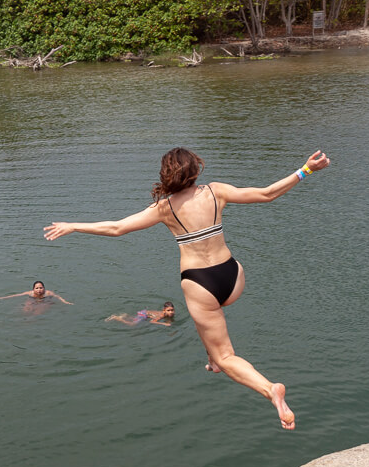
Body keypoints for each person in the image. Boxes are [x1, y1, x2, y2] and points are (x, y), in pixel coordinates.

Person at [44, 148, 330, 430]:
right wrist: (305, 170)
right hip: (232, 276)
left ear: (167, 175)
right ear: (196, 169)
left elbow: (117, 228)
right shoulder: (216, 191)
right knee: (209, 322)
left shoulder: (165, 208)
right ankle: (213, 359)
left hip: (200, 283)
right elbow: (268, 194)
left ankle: (270, 390)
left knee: (224, 352)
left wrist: (75, 226)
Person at [0, 280, 73, 313]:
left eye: (41, 288)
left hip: (45, 301)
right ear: (33, 289)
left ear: (44, 288)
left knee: (37, 312)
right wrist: (2, 298)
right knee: (25, 310)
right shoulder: (30, 293)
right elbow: (16, 295)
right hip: (33, 300)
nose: (39, 290)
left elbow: (58, 297)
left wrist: (66, 302)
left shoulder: (48, 293)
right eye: (37, 288)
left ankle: (31, 321)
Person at [107, 301, 176, 327]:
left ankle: (125, 315)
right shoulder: (161, 315)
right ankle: (116, 318)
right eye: (168, 310)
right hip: (144, 314)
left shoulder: (171, 314)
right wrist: (164, 324)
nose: (171, 312)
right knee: (132, 324)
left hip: (145, 312)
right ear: (164, 310)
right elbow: (152, 321)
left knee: (134, 318)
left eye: (172, 310)